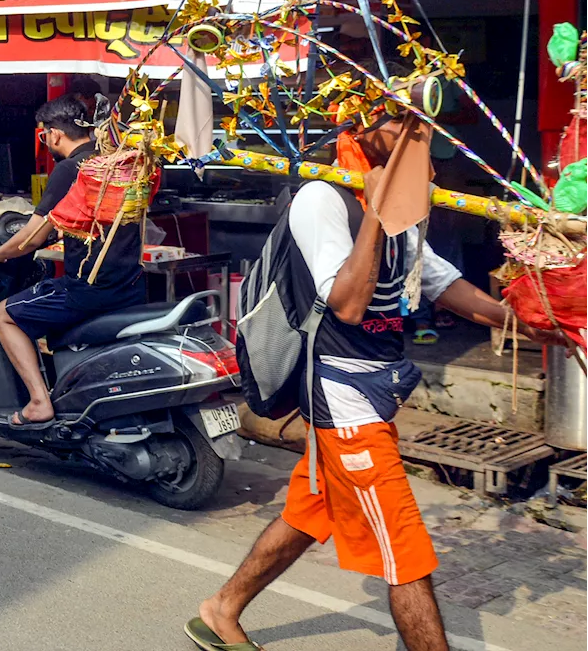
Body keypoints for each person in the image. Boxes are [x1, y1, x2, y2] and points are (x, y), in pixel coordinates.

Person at [188, 115, 562, 651]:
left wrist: (530, 323)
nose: (421, 139)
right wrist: (374, 212)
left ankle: (221, 608)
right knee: (404, 550)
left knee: (309, 510)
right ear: (364, 128)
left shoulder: (402, 206)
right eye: (405, 125)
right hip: (341, 398)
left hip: (377, 390)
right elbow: (347, 302)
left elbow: (443, 283)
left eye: (425, 128)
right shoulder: (322, 199)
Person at [0, 96, 145, 427]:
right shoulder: (111, 163)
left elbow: (32, 237)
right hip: (130, 284)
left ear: (53, 134)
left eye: (44, 135)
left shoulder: (72, 169)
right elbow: (79, 222)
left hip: (89, 289)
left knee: (4, 315)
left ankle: (39, 402)